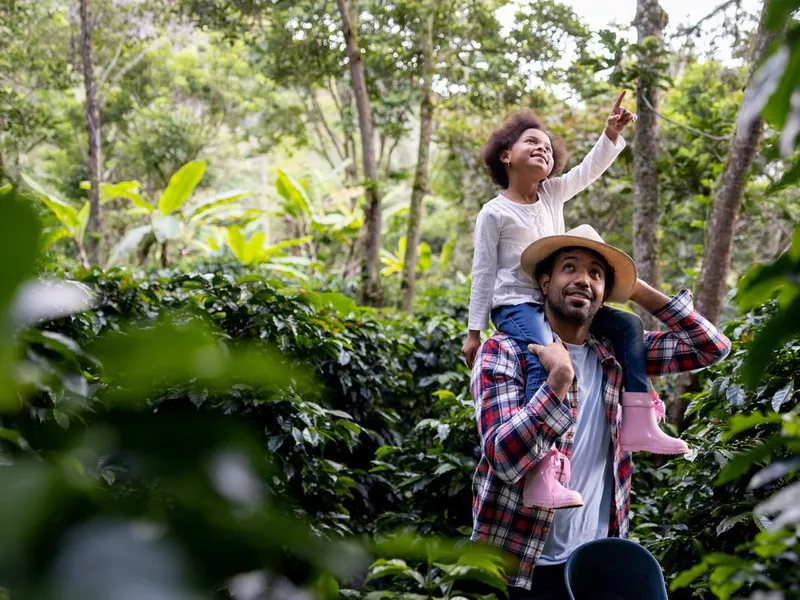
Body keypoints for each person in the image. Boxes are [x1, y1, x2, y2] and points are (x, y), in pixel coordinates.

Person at [469, 225, 731, 599]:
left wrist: (634, 286)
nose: (583, 280)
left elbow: (711, 346)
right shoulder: (504, 351)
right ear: (544, 283)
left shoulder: (618, 355)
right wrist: (557, 381)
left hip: (597, 562)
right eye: (570, 268)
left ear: (606, 293)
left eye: (595, 274)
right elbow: (504, 457)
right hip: (517, 566)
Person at [462, 94, 686, 508]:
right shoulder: (494, 212)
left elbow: (588, 171)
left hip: (552, 304)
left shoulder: (550, 195)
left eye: (547, 145)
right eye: (532, 142)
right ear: (506, 156)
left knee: (627, 326)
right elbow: (482, 274)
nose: (542, 148)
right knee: (545, 359)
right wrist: (474, 332)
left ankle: (639, 418)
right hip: (515, 306)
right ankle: (542, 470)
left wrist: (611, 134)